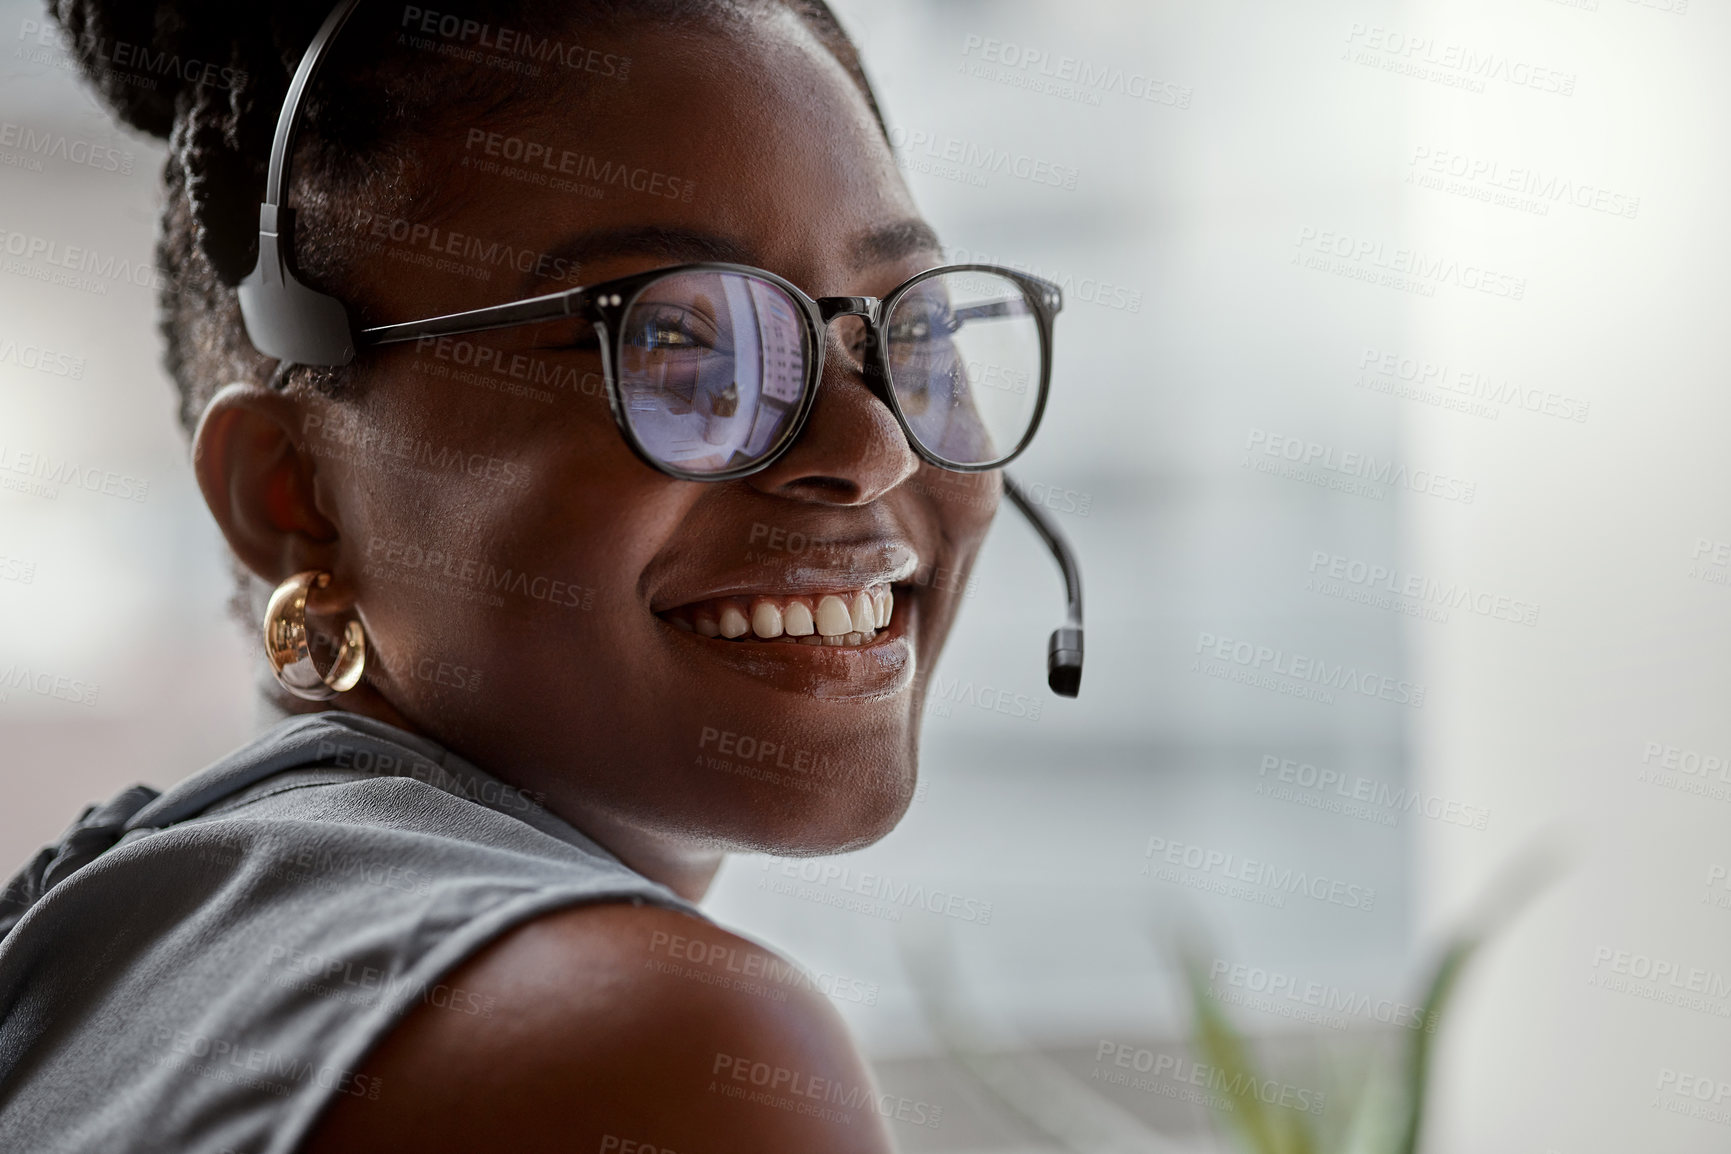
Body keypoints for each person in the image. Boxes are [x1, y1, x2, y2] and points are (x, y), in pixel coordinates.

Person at [0, 1, 1061, 1150]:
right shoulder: (659, 1053)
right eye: (679, 342)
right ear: (292, 491)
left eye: (907, 337)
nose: (872, 449)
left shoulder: (107, 932)